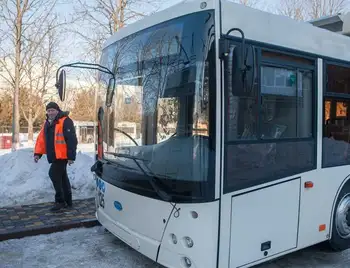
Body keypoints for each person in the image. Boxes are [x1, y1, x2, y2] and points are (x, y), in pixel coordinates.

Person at [34, 102, 78, 212]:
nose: (50, 112)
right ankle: (68, 201)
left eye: (53, 110)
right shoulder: (47, 123)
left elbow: (71, 139)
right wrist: (38, 154)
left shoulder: (65, 121)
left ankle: (60, 201)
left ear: (57, 110)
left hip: (62, 156)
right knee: (62, 177)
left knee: (53, 174)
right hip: (54, 155)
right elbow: (41, 140)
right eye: (48, 111)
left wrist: (71, 156)